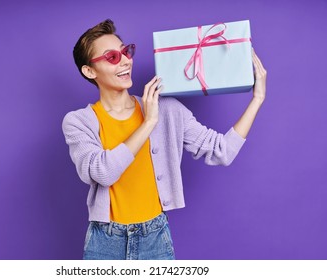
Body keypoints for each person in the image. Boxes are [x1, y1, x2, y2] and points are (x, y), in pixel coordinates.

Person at [62, 19, 267, 260]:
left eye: (126, 51)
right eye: (112, 57)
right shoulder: (78, 121)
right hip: (105, 241)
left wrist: (257, 99)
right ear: (89, 70)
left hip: (155, 239)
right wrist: (148, 122)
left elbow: (222, 151)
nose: (126, 60)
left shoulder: (167, 109)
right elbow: (102, 172)